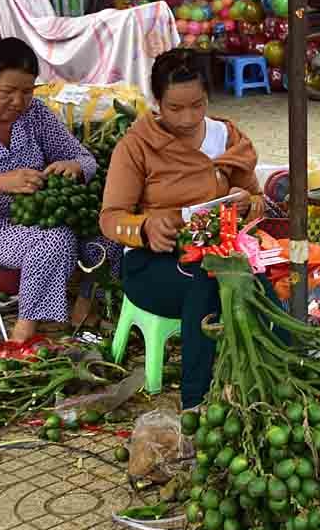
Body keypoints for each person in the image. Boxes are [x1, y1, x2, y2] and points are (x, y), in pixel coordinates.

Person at [0, 37, 122, 342]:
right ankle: (23, 333)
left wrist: (75, 167)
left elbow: (84, 157)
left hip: (37, 216)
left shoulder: (36, 115)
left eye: (27, 92)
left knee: (109, 229)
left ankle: (85, 307)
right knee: (54, 239)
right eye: (7, 92)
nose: (18, 101)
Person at [100, 49, 265, 408]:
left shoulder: (227, 138)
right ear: (156, 102)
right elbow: (110, 217)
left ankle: (270, 386)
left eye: (198, 104)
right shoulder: (137, 146)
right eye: (175, 108)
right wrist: (144, 228)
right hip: (151, 265)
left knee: (268, 285)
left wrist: (245, 201)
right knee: (204, 285)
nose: (188, 118)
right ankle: (197, 402)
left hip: (219, 254)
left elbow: (257, 200)